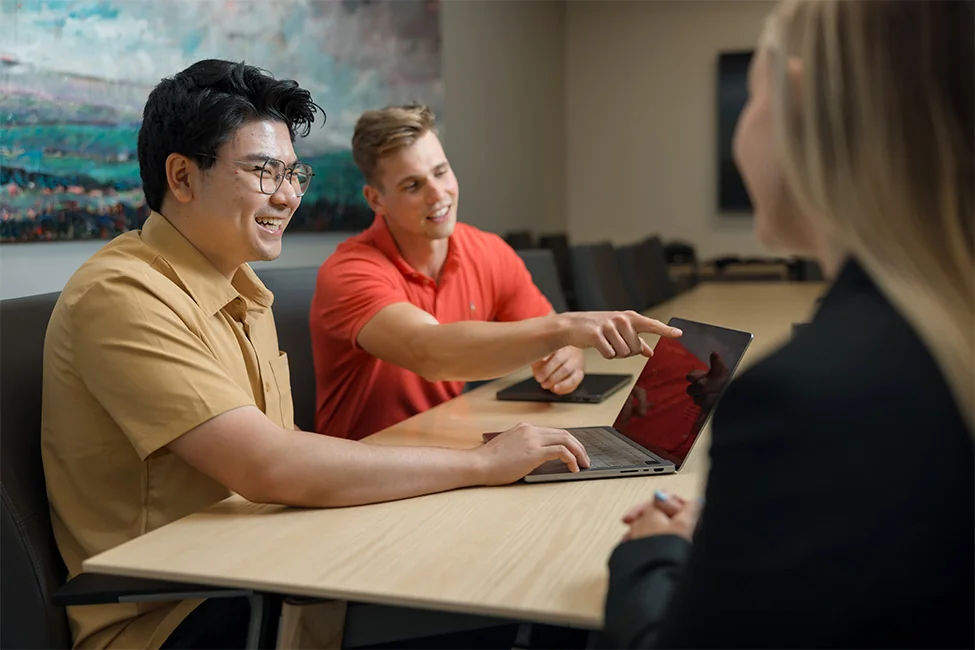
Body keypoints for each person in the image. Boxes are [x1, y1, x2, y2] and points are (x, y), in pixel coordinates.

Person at [41, 60, 593, 650]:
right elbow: (269, 465)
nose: (287, 196)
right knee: (524, 604)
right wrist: (481, 465)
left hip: (274, 563)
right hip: (182, 614)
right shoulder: (122, 293)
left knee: (530, 570)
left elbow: (283, 456)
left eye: (292, 174)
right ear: (182, 176)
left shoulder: (242, 288)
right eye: (263, 171)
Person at [603, 0, 974, 647]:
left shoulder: (804, 400)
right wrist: (750, 529)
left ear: (799, 102)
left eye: (752, 97)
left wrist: (652, 551)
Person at [310, 104, 682, 440]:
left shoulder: (487, 251)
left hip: (446, 444)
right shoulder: (348, 272)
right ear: (376, 200)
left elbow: (552, 337)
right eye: (413, 185)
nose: (438, 194)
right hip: (365, 465)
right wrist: (565, 329)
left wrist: (567, 357)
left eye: (441, 172)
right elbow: (429, 353)